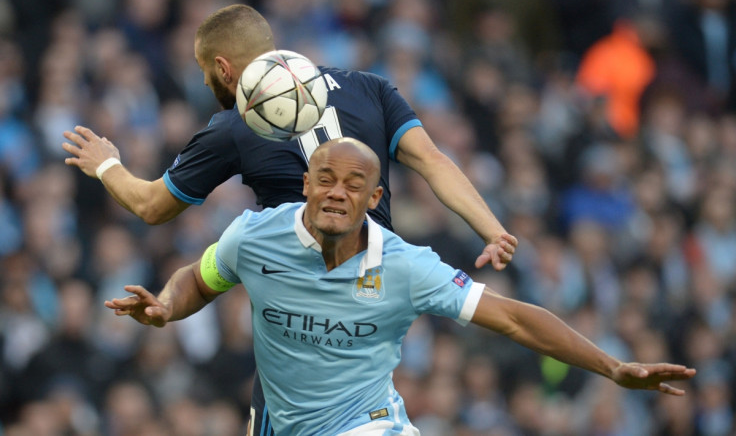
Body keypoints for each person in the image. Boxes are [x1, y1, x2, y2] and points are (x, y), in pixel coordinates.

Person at [62, 4, 518, 434]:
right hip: (377, 283)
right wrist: (491, 229)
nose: (206, 85)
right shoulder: (369, 87)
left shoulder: (232, 126)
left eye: (206, 75)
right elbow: (433, 160)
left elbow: (150, 206)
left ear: (223, 69)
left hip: (296, 289)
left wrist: (106, 163)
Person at [105, 138, 695, 436]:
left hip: (370, 422)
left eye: (354, 184)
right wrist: (166, 308)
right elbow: (200, 280)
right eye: (326, 179)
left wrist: (612, 366)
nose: (337, 192)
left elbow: (515, 318)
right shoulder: (254, 237)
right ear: (306, 185)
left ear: (374, 199)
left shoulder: (407, 267)